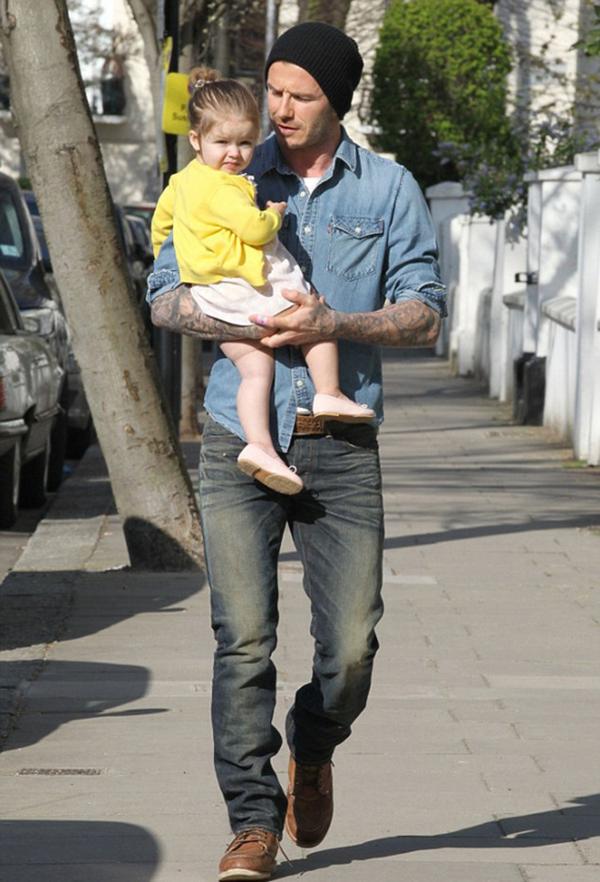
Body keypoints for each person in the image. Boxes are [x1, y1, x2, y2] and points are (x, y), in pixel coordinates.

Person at [148, 21, 446, 882]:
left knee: (350, 649)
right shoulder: (226, 163)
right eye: (273, 89)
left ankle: (312, 746)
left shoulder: (388, 188)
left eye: (299, 95)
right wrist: (238, 324)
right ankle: (252, 823)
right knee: (243, 640)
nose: (279, 108)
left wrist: (334, 322)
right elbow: (163, 295)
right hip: (238, 442)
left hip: (340, 446)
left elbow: (426, 309)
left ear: (336, 102)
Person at [151, 66, 375, 496]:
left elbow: (161, 227)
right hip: (246, 283)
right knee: (314, 315)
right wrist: (273, 214)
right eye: (222, 143)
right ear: (196, 139)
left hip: (210, 292)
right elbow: (254, 231)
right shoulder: (225, 187)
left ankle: (259, 446)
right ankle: (329, 391)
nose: (234, 154)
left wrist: (191, 257)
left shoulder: (181, 182)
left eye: (244, 143)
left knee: (255, 370)